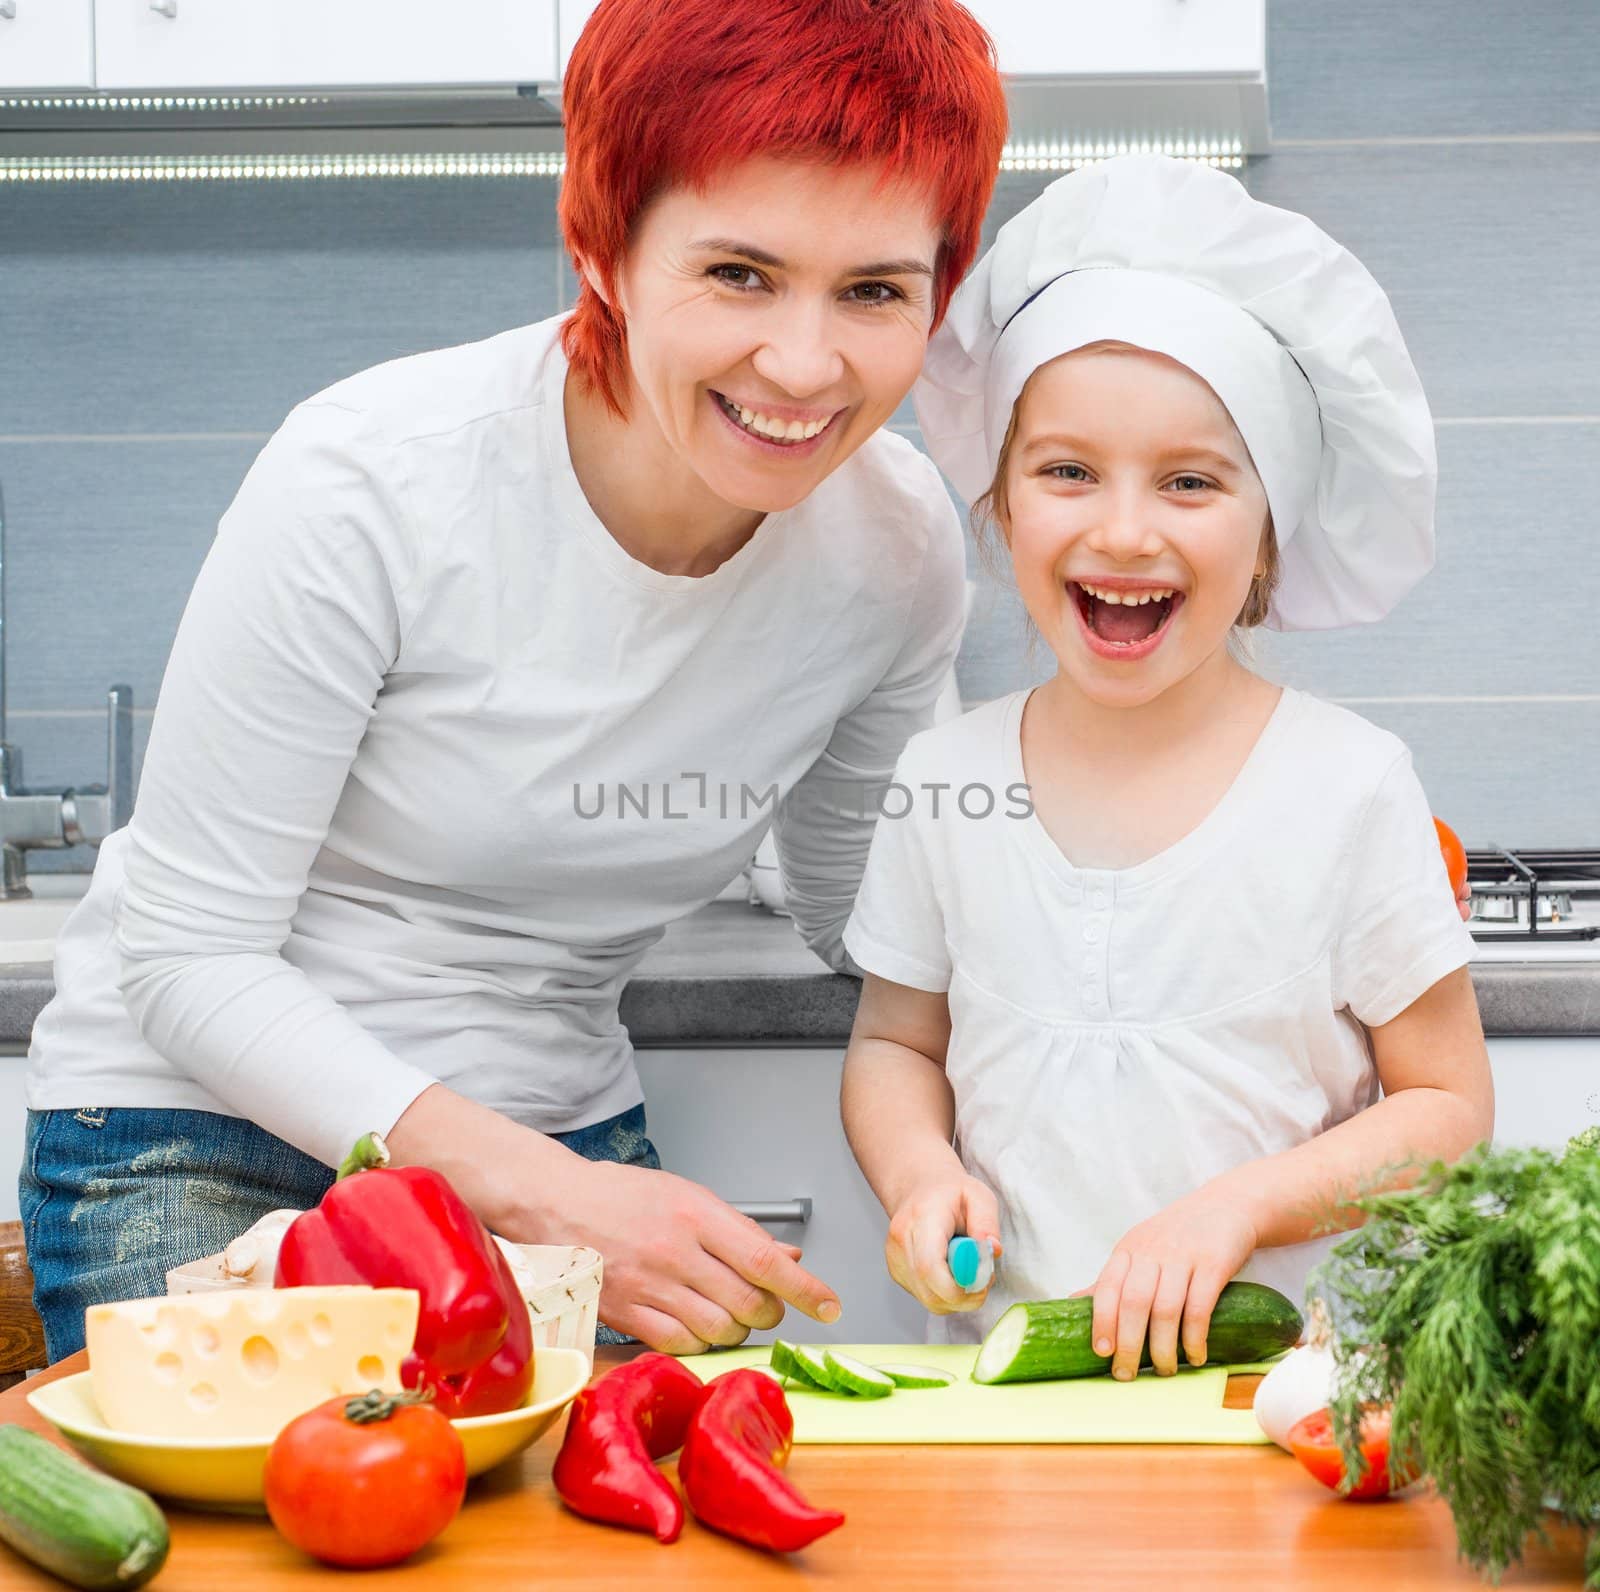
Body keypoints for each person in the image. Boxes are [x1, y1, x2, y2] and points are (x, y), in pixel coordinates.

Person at [18, 0, 1007, 1361]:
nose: (804, 363)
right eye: (738, 274)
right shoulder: (372, 478)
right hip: (203, 1129)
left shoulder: (894, 552)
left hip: (559, 1124)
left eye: (875, 290)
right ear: (601, 243)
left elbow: (867, 907)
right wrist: (556, 1199)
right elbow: (189, 957)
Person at [839, 155, 1495, 1375]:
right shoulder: (944, 777)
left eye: (1190, 481)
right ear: (1003, 506)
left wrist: (1236, 1206)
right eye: (1067, 471)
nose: (1124, 529)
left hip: (1289, 1398)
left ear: (1265, 537)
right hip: (1005, 1398)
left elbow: (1446, 1111)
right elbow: (894, 1046)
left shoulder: (1347, 785)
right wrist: (919, 1169)